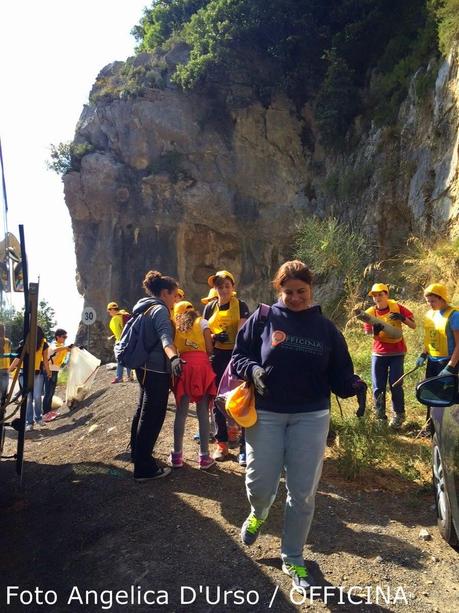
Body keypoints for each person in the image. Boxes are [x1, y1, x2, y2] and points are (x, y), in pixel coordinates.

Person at [232, 260, 364, 591]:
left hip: (311, 416)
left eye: (301, 291)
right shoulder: (262, 319)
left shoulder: (326, 329)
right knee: (259, 484)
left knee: (302, 494)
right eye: (288, 292)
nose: (295, 297)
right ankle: (259, 511)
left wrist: (354, 386)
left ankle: (293, 557)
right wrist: (253, 370)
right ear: (279, 290)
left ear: (311, 290)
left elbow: (340, 376)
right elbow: (239, 358)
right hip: (268, 413)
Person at [130, 270, 183, 482]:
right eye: (174, 294)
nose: (176, 300)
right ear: (164, 293)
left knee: (142, 410)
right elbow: (165, 338)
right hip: (155, 369)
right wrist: (174, 359)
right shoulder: (160, 310)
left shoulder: (143, 307)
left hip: (142, 366)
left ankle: (138, 454)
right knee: (153, 415)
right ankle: (144, 467)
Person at [203, 270, 250, 463]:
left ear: (233, 287)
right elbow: (204, 334)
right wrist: (214, 338)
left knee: (243, 399)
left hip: (237, 356)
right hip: (217, 356)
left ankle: (245, 447)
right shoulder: (209, 308)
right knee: (217, 400)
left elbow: (243, 333)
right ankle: (221, 443)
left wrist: (237, 353)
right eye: (219, 286)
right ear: (215, 288)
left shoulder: (241, 306)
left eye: (227, 286)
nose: (223, 290)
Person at [170, 300, 217, 470]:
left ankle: (176, 456)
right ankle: (204, 457)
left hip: (183, 366)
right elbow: (210, 348)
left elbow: (173, 348)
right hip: (202, 366)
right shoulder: (202, 322)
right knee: (202, 411)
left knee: (181, 412)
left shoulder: (175, 326)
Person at [363, 283, 416, 428]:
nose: (378, 297)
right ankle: (380, 418)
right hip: (379, 353)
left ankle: (399, 416)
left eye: (380, 294)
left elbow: (413, 325)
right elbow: (367, 333)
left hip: (397, 352)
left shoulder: (397, 307)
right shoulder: (370, 313)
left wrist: (402, 318)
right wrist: (374, 331)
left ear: (387, 294)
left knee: (395, 384)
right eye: (375, 295)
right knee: (378, 386)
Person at [416, 283, 459, 426]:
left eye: (433, 301)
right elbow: (429, 337)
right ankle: (430, 426)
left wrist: (451, 366)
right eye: (427, 301)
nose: (430, 304)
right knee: (430, 393)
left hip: (448, 362)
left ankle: (445, 428)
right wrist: (423, 354)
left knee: (445, 397)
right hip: (432, 361)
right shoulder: (430, 315)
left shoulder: (454, 315)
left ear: (442, 299)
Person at [9, 326, 51, 431]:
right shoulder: (24, 342)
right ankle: (29, 422)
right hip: (24, 374)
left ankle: (38, 418)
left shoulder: (43, 344)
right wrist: (10, 369)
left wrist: (48, 372)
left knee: (37, 397)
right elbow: (18, 358)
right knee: (28, 399)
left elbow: (45, 360)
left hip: (38, 374)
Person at [42, 328, 72, 421]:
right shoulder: (54, 344)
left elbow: (68, 350)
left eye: (66, 337)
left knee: (51, 392)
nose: (65, 338)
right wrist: (66, 347)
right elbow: (55, 349)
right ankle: (45, 413)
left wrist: (74, 348)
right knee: (48, 392)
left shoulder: (62, 345)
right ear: (57, 337)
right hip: (49, 370)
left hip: (55, 370)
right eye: (64, 337)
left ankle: (48, 412)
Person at [106, 301, 134, 383]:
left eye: (109, 310)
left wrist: (117, 340)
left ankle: (119, 377)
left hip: (121, 341)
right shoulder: (124, 315)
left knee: (120, 359)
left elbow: (119, 333)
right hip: (129, 339)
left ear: (112, 309)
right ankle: (129, 376)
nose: (109, 312)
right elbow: (124, 329)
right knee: (127, 358)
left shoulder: (115, 319)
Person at [0, 324, 12, 405]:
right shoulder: (7, 341)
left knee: (3, 390)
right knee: (3, 390)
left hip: (4, 369)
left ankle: (2, 406)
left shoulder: (8, 341)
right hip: (4, 369)